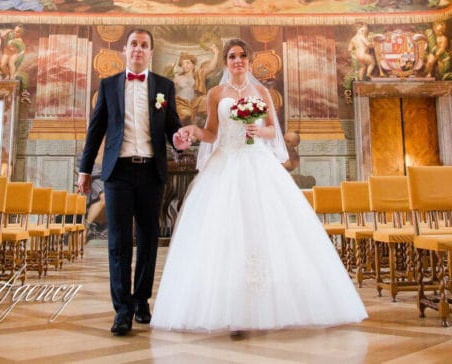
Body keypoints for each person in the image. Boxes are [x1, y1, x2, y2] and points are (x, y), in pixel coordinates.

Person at [152, 39, 367, 333]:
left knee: (265, 230)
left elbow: (272, 131)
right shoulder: (216, 93)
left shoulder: (261, 92)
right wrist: (192, 131)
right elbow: (213, 133)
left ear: (249, 62)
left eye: (242, 56)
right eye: (232, 56)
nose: (237, 60)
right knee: (225, 234)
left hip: (256, 163)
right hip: (225, 165)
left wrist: (258, 130)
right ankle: (230, 306)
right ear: (226, 62)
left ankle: (267, 304)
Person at [77, 29, 184, 336]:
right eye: (134, 45)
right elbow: (95, 130)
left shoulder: (164, 86)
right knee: (119, 243)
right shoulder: (109, 85)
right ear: (125, 50)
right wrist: (85, 170)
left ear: (151, 52)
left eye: (144, 45)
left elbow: (172, 126)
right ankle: (122, 309)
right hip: (118, 172)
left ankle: (141, 301)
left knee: (149, 240)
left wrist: (180, 138)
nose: (138, 49)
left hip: (151, 172)